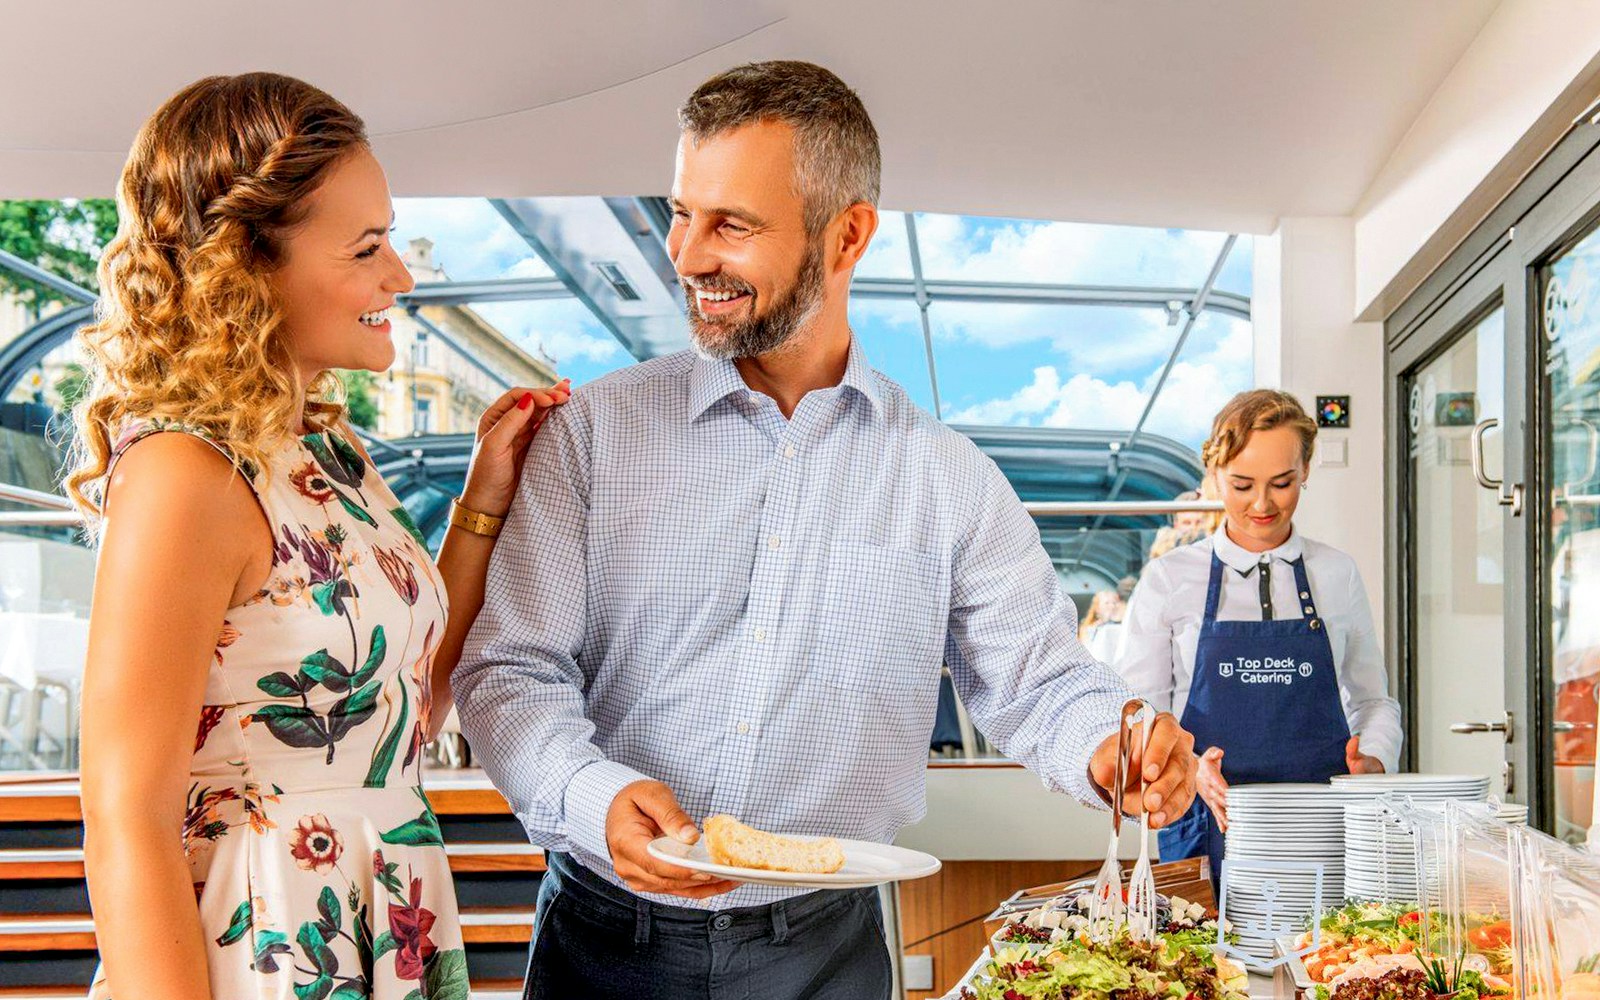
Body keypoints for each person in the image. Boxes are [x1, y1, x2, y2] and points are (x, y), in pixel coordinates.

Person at [454, 60, 1198, 1000]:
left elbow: (1043, 684)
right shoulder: (593, 437)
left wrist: (1111, 745)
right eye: (683, 212)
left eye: (732, 224)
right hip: (604, 946)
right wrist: (594, 802)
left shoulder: (945, 479)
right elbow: (510, 672)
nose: (685, 255)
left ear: (846, 236)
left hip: (827, 958)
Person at [69, 73, 570, 1000]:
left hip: (380, 915)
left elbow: (407, 709)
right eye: (368, 247)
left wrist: (484, 498)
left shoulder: (325, 447)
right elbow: (124, 815)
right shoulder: (184, 474)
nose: (402, 278)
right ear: (249, 265)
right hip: (258, 943)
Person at [1115, 389, 1401, 878]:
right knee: (1200, 953)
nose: (1262, 504)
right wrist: (1185, 765)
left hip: (1323, 826)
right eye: (1242, 484)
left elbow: (1374, 701)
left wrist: (1373, 758)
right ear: (1214, 477)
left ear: (1305, 470)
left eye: (1282, 483)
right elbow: (1139, 713)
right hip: (1205, 821)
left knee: (1332, 952)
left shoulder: (1336, 573)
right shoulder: (1169, 579)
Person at [1079, 589, 1126, 663]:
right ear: (1097, 608)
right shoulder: (1089, 629)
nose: (1112, 606)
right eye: (1107, 603)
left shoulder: (1123, 626)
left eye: (1115, 602)